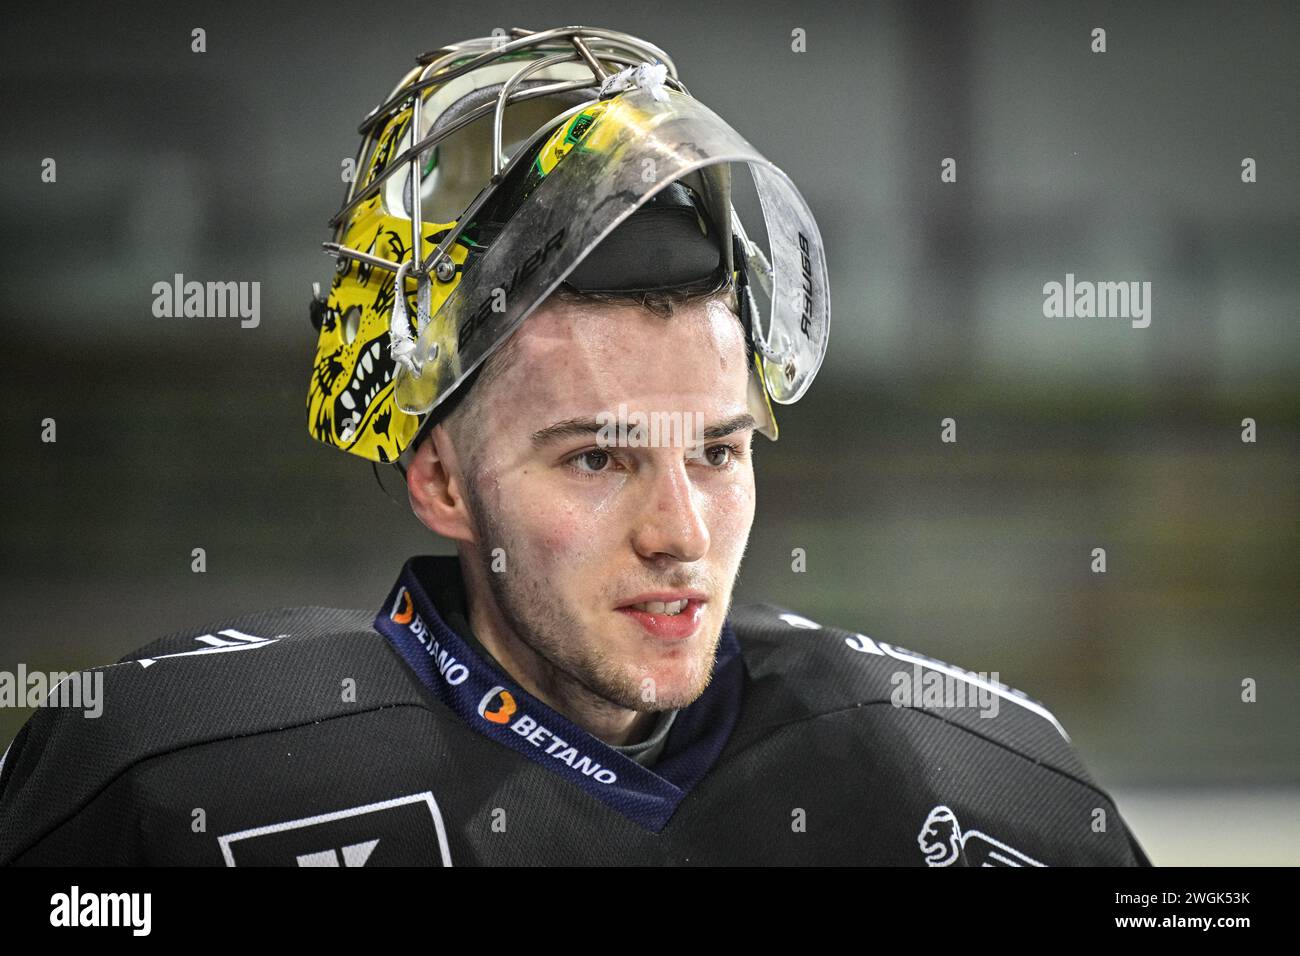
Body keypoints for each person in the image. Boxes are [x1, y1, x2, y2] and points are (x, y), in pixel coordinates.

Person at [0, 26, 1149, 866]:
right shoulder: (179, 783)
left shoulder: (964, 784)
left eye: (717, 451)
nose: (681, 533)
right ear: (440, 478)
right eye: (599, 458)